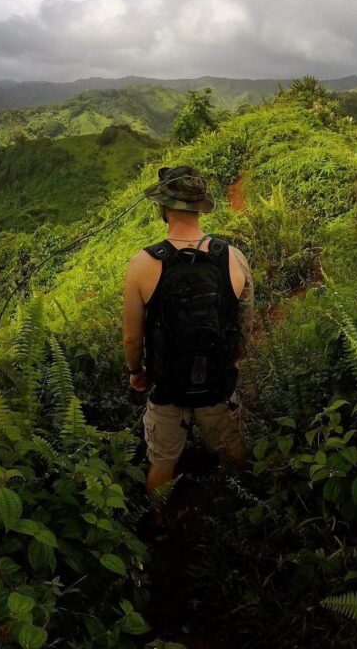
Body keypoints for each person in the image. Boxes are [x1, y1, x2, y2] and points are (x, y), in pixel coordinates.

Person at [122, 165, 254, 500]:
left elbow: (132, 338)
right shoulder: (234, 258)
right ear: (200, 206)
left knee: (162, 463)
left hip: (168, 386)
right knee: (233, 453)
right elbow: (244, 322)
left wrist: (137, 372)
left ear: (163, 208)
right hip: (218, 383)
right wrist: (235, 361)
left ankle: (160, 523)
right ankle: (247, 510)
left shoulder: (141, 264)